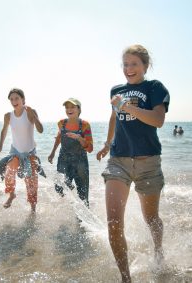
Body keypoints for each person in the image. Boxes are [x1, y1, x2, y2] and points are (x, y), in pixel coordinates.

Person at [96, 44, 170, 283]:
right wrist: (107, 144)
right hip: (119, 161)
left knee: (151, 219)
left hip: (149, 161)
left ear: (145, 66)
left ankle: (158, 252)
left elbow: (158, 120)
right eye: (125, 64)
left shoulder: (154, 88)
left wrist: (126, 106)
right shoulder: (116, 90)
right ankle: (126, 278)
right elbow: (114, 118)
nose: (129, 69)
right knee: (114, 223)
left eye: (134, 64)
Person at [0, 88, 45, 212]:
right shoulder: (8, 116)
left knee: (31, 181)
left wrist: (34, 116)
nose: (14, 101)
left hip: (30, 152)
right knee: (9, 171)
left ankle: (33, 207)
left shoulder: (30, 112)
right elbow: (4, 131)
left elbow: (40, 129)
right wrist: (0, 147)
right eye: (11, 99)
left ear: (23, 99)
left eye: (17, 98)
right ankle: (11, 195)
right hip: (15, 151)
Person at [48, 98, 93, 207]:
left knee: (83, 195)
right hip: (63, 160)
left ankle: (84, 222)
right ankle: (71, 199)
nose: (69, 109)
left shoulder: (85, 125)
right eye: (67, 107)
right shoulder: (61, 123)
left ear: (79, 109)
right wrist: (52, 152)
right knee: (59, 187)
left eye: (72, 107)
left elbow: (90, 148)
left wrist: (79, 138)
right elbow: (59, 137)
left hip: (80, 162)